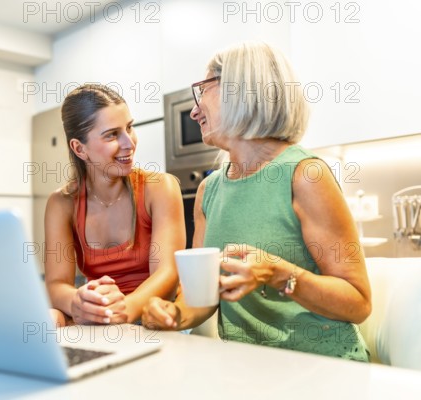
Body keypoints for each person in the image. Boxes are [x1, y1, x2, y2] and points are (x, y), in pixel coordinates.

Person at [141, 41, 372, 361]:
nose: (194, 110)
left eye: (202, 90)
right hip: (244, 368)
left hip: (323, 367)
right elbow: (202, 297)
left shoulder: (305, 175)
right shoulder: (209, 191)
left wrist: (279, 274)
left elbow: (358, 302)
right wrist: (172, 315)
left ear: (241, 90)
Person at [45, 84, 185, 326]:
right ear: (80, 149)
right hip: (102, 317)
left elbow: (167, 274)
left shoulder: (160, 187)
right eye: (112, 134)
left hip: (154, 318)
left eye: (129, 128)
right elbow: (57, 285)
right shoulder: (62, 203)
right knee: (51, 318)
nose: (129, 143)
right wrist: (78, 302)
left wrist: (122, 310)